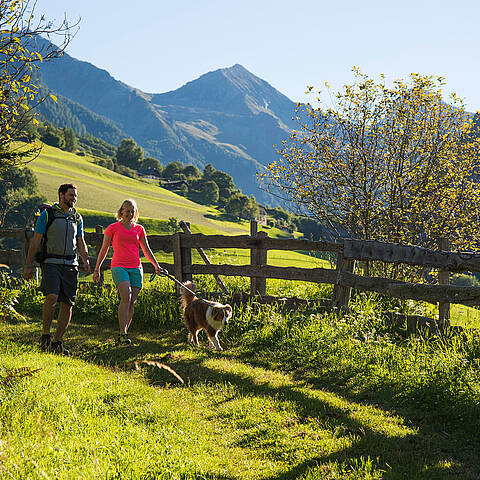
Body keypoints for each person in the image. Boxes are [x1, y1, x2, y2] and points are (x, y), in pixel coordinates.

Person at [24, 183, 91, 354]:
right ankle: (45, 336)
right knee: (52, 297)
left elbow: (80, 241)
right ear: (61, 195)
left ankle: (58, 341)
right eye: (70, 195)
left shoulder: (77, 217)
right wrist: (28, 265)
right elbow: (36, 241)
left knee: (68, 304)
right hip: (51, 262)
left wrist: (85, 259)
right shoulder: (48, 215)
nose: (73, 199)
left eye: (75, 196)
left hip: (71, 265)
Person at [93, 199, 162, 344]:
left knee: (132, 301)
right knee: (126, 297)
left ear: (135, 213)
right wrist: (97, 268)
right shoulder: (112, 228)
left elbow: (146, 249)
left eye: (132, 211)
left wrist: (156, 265)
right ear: (121, 211)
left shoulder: (139, 229)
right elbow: (104, 249)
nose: (129, 214)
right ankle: (122, 333)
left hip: (136, 268)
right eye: (127, 211)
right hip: (119, 266)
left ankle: (124, 333)